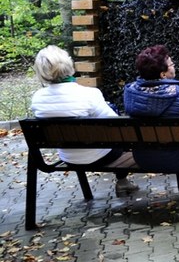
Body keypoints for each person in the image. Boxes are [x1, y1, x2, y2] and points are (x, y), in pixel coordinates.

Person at [30, 45, 139, 197]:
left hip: (69, 158)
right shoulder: (89, 94)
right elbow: (115, 124)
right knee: (120, 136)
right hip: (101, 157)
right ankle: (122, 181)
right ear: (69, 65)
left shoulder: (37, 99)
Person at [123, 45, 179, 203]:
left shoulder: (131, 94)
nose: (174, 66)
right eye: (172, 64)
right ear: (163, 74)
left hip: (144, 158)